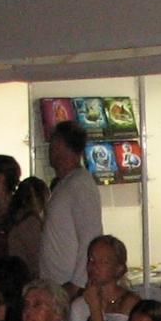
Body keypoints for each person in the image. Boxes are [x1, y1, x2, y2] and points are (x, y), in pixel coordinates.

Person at [38, 122, 101, 289]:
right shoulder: (65, 183)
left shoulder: (80, 184)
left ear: (59, 145)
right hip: (56, 282)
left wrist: (77, 284)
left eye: (53, 143)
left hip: (68, 284)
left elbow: (90, 235)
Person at [68, 235, 137, 321]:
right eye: (91, 260)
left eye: (104, 262)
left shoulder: (130, 304)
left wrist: (95, 307)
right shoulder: (79, 304)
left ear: (119, 269)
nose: (94, 266)